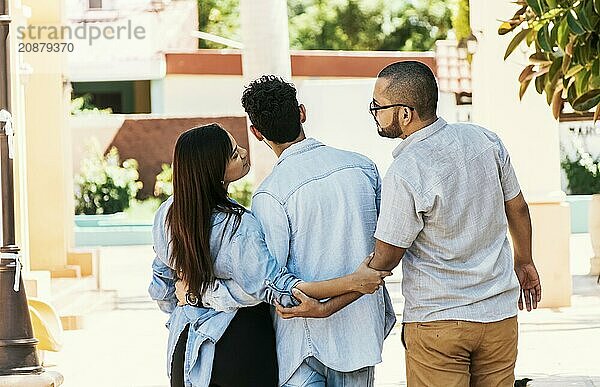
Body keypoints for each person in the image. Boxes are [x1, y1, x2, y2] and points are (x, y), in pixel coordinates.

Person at [148, 124, 389, 387]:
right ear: (213, 170)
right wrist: (354, 282)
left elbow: (161, 286)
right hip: (239, 350)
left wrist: (193, 302)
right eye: (232, 154)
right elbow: (278, 289)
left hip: (187, 352)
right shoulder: (237, 226)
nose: (242, 153)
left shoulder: (167, 215)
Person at [364, 61, 542, 386]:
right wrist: (525, 261)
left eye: (377, 106)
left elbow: (386, 257)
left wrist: (348, 281)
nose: (374, 112)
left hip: (438, 323)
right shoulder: (485, 140)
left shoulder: (406, 170)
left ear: (405, 113)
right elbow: (518, 208)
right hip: (499, 315)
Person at [239, 75, 397, 387]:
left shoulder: (270, 195)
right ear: (302, 112)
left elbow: (274, 280)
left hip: (299, 346)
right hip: (358, 334)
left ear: (257, 133)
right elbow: (385, 254)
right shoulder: (362, 168)